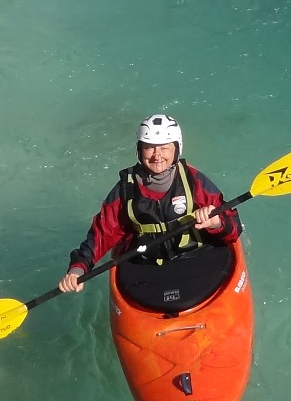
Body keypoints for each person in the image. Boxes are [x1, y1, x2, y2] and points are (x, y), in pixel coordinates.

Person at [59, 114, 242, 307]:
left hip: (197, 257)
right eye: (149, 148)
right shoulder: (125, 190)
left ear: (176, 149)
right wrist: (79, 268)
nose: (157, 155)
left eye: (164, 148)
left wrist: (216, 222)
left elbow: (234, 227)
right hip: (147, 266)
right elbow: (102, 233)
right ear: (139, 150)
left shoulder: (194, 181)